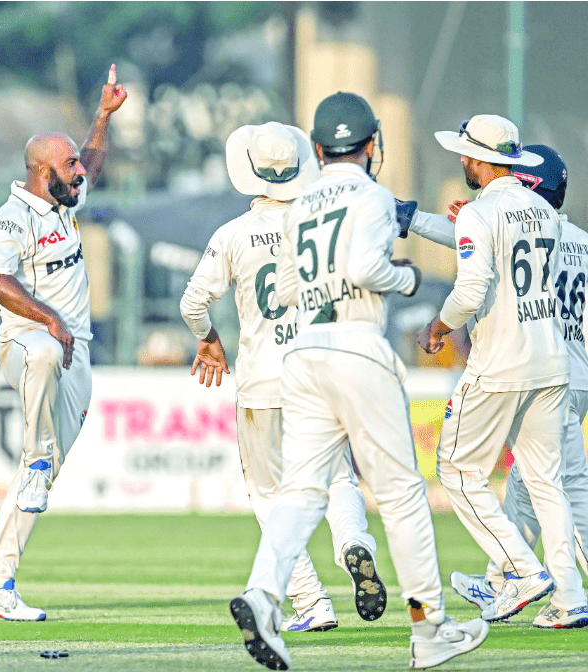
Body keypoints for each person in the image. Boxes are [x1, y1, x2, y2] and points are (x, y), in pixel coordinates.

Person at [229, 92, 488, 671]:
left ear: (318, 151)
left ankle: (264, 596)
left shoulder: (298, 205)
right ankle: (429, 632)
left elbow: (291, 291)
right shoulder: (371, 195)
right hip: (356, 346)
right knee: (400, 495)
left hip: (303, 354)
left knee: (300, 492)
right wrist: (407, 278)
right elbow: (367, 269)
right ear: (372, 145)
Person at [180, 122, 385, 633]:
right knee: (338, 479)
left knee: (271, 496)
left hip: (264, 381)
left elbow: (193, 304)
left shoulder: (232, 235)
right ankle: (354, 545)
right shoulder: (327, 225)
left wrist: (208, 339)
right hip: (323, 373)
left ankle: (311, 601)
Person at [405, 144, 588, 628]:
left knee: (465, 472)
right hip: (561, 365)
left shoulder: (489, 214)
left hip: (508, 363)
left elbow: (473, 280)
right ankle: (549, 592)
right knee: (546, 486)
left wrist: (438, 328)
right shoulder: (560, 227)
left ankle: (521, 573)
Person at [0, 65, 127, 621]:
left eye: (76, 164)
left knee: (39, 484)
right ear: (41, 174)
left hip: (74, 355)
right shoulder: (12, 219)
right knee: (41, 353)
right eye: (69, 165)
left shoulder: (65, 201)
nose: (80, 171)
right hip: (25, 345)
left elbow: (95, 160)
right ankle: (35, 457)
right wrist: (50, 319)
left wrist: (103, 116)